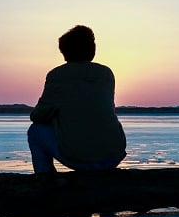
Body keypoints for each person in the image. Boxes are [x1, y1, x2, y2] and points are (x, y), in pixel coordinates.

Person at [28, 25, 126, 173]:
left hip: (80, 159)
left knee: (35, 130)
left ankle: (45, 178)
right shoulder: (106, 74)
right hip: (113, 156)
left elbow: (39, 115)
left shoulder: (57, 75)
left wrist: (55, 118)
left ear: (66, 52)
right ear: (92, 50)